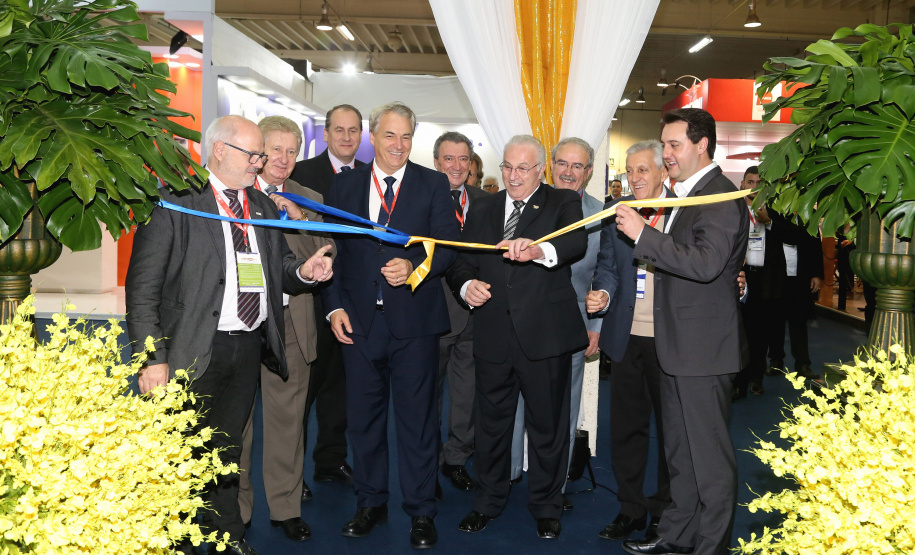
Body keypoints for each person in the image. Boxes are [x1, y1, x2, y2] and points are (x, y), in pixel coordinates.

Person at [125, 115, 333, 555]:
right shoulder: (176, 201)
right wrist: (151, 357)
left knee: (226, 451)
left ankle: (226, 536)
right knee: (177, 452)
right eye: (253, 154)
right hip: (190, 347)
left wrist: (303, 271)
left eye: (262, 154)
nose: (261, 163)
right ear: (220, 150)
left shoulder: (259, 205)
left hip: (246, 344)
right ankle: (173, 540)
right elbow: (142, 288)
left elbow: (274, 271)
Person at [322, 102, 459, 550]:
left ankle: (421, 511)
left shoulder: (434, 184)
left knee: (419, 423)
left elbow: (447, 248)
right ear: (372, 137)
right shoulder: (344, 186)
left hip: (414, 325)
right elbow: (332, 253)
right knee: (363, 422)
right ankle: (370, 503)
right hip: (358, 325)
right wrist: (333, 307)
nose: (398, 146)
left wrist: (414, 266)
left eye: (405, 137)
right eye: (389, 136)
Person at [616, 108, 749, 555]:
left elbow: (707, 265)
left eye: (674, 145)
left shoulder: (718, 196)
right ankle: (677, 534)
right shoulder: (688, 194)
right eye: (665, 145)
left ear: (701, 145)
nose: (666, 154)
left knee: (708, 459)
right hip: (677, 348)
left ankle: (711, 546)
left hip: (703, 351)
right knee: (681, 453)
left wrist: (643, 235)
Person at [447, 134, 587, 540]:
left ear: (540, 170)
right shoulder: (484, 206)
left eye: (523, 168)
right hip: (492, 336)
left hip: (545, 337)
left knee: (548, 426)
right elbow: (460, 260)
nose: (513, 176)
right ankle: (488, 501)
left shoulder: (563, 201)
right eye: (507, 166)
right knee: (490, 426)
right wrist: (466, 285)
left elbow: (574, 242)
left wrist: (539, 250)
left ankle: (546, 504)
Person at [236, 116, 334, 542]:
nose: (283, 159)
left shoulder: (309, 199)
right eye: (274, 149)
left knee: (288, 421)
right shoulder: (231, 193)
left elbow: (325, 259)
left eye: (292, 151)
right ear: (257, 152)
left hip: (292, 321)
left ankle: (285, 507)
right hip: (237, 322)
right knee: (236, 424)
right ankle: (233, 511)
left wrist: (298, 219)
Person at [508, 136, 603, 510]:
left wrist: (598, 324)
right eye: (562, 163)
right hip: (522, 323)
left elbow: (608, 271)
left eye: (578, 166)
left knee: (565, 407)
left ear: (589, 172)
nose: (568, 172)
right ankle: (509, 471)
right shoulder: (529, 205)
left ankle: (556, 484)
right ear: (550, 166)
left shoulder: (601, 213)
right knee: (513, 405)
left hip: (573, 328)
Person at [587, 140, 672, 543]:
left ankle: (664, 513)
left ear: (661, 173)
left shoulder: (681, 214)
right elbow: (608, 268)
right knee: (625, 432)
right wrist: (603, 294)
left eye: (642, 170)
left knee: (673, 434)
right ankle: (630, 508)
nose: (635, 179)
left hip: (671, 342)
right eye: (629, 171)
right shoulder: (616, 217)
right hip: (625, 339)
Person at [290, 104, 366, 494]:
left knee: (340, 388)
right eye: (339, 130)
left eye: (354, 130)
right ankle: (293, 474)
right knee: (301, 393)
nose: (347, 138)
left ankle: (330, 460)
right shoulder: (300, 175)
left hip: (351, 298)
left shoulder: (371, 176)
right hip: (306, 296)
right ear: (325, 133)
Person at [433, 131, 488, 493]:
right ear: (436, 162)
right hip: (432, 314)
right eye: (449, 159)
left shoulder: (486, 202)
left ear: (471, 164)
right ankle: (425, 463)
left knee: (467, 395)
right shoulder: (419, 198)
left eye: (463, 159)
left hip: (477, 314)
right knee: (427, 395)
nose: (456, 166)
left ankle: (455, 459)